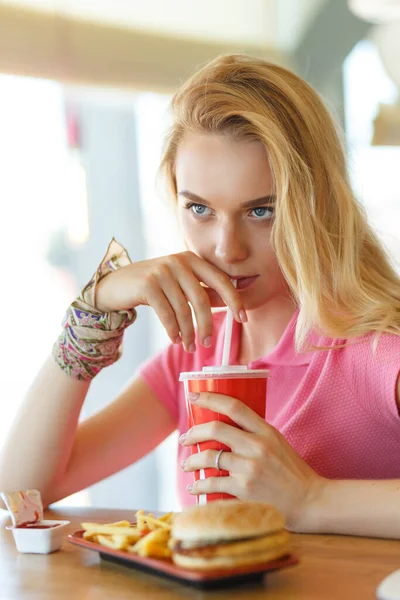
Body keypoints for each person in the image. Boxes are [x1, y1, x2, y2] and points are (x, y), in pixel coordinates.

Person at [1, 54, 400, 539]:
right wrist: (94, 308)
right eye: (200, 209)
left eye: (261, 211)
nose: (226, 248)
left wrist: (313, 500)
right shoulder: (200, 352)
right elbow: (23, 489)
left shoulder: (375, 347)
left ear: (315, 204)